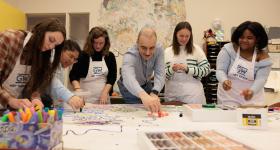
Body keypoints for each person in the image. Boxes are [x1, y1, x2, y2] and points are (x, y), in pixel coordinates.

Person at [0, 18, 67, 110]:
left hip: (11, 111)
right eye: (51, 40)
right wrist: (11, 100)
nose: (51, 47)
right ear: (41, 31)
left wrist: (35, 98)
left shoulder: (43, 55)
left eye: (55, 45)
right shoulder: (10, 39)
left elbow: (33, 86)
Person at [216, 21, 272, 106]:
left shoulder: (263, 57)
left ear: (257, 39)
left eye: (249, 38)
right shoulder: (228, 50)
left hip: (252, 98)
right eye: (241, 37)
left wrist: (251, 91)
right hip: (228, 97)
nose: (244, 40)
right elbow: (220, 70)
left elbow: (261, 79)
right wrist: (224, 80)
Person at [117, 27, 165, 113]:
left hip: (146, 83)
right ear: (137, 44)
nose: (148, 52)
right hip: (128, 86)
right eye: (143, 48)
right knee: (138, 112)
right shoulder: (130, 55)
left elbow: (160, 73)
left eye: (151, 48)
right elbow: (128, 78)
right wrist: (144, 96)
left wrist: (154, 93)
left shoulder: (159, 49)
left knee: (152, 108)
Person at [165, 21, 210, 104]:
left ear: (190, 36)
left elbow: (206, 70)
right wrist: (171, 69)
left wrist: (187, 69)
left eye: (187, 36)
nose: (184, 39)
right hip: (172, 97)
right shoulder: (167, 52)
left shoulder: (196, 50)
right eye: (181, 36)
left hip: (193, 97)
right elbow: (161, 75)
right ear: (175, 35)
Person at [69, 27, 117, 104]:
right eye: (95, 43)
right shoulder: (82, 56)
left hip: (103, 99)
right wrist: (77, 89)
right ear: (90, 42)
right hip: (85, 99)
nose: (98, 46)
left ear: (106, 42)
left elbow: (112, 77)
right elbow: (73, 75)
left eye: (101, 43)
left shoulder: (110, 56)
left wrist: (105, 93)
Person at [43, 40, 84, 109]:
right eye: (71, 56)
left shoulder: (61, 66)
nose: (72, 61)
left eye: (75, 59)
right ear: (61, 50)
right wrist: (69, 97)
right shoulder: (51, 60)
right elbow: (51, 81)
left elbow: (58, 90)